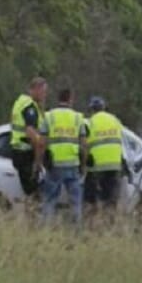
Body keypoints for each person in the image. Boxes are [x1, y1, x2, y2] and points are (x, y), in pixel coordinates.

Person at [40, 88, 88, 227]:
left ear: (58, 99)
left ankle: (46, 230)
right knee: (75, 202)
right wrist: (83, 165)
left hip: (54, 165)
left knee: (49, 200)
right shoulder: (78, 117)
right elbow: (84, 144)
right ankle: (76, 230)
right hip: (73, 164)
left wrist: (40, 162)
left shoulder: (49, 116)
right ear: (70, 99)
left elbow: (42, 142)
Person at [83, 95, 125, 218]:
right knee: (110, 199)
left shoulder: (89, 122)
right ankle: (109, 223)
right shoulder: (115, 120)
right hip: (114, 166)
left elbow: (84, 144)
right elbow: (121, 140)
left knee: (90, 199)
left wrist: (84, 161)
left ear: (91, 109)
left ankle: (91, 222)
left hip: (96, 167)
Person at [10, 77, 47, 197]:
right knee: (32, 192)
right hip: (25, 152)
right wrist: (38, 159)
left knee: (30, 191)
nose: (45, 95)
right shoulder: (29, 107)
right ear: (36, 89)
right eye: (43, 91)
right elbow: (31, 134)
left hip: (18, 150)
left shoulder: (20, 102)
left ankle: (29, 208)